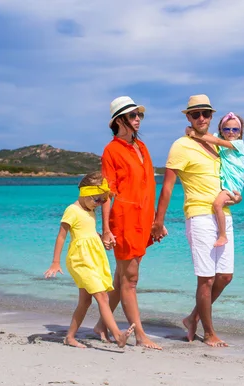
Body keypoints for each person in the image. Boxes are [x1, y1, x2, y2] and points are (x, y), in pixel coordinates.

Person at [151, 94, 242, 347]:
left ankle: (192, 318)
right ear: (188, 117)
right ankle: (209, 332)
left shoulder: (218, 145)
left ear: (212, 116)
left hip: (224, 215)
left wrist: (235, 198)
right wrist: (158, 221)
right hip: (200, 216)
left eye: (206, 113)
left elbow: (229, 179)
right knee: (207, 278)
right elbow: (167, 187)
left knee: (225, 276)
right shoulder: (180, 145)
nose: (201, 118)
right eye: (195, 114)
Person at [92, 96, 163, 350]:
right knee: (130, 279)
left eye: (139, 115)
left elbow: (148, 186)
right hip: (123, 220)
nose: (137, 119)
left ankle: (102, 325)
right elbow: (108, 191)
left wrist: (157, 220)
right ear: (119, 120)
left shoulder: (142, 147)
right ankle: (140, 334)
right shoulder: (111, 150)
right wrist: (106, 229)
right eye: (132, 115)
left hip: (144, 219)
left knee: (122, 276)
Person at [44, 171, 135, 348]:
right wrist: (56, 262)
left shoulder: (90, 209)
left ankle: (70, 337)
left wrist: (102, 238)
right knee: (102, 296)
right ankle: (118, 335)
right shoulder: (72, 210)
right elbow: (62, 236)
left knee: (85, 301)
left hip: (93, 257)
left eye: (103, 200)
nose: (100, 204)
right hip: (80, 259)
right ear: (85, 193)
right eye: (98, 200)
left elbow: (88, 232)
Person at [186, 112, 244, 247]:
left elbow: (217, 141)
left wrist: (195, 135)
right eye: (227, 129)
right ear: (221, 130)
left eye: (235, 129)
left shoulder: (238, 144)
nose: (231, 132)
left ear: (240, 132)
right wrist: (191, 131)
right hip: (226, 183)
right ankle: (222, 233)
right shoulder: (220, 139)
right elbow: (209, 137)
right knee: (222, 203)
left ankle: (223, 235)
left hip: (233, 184)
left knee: (217, 205)